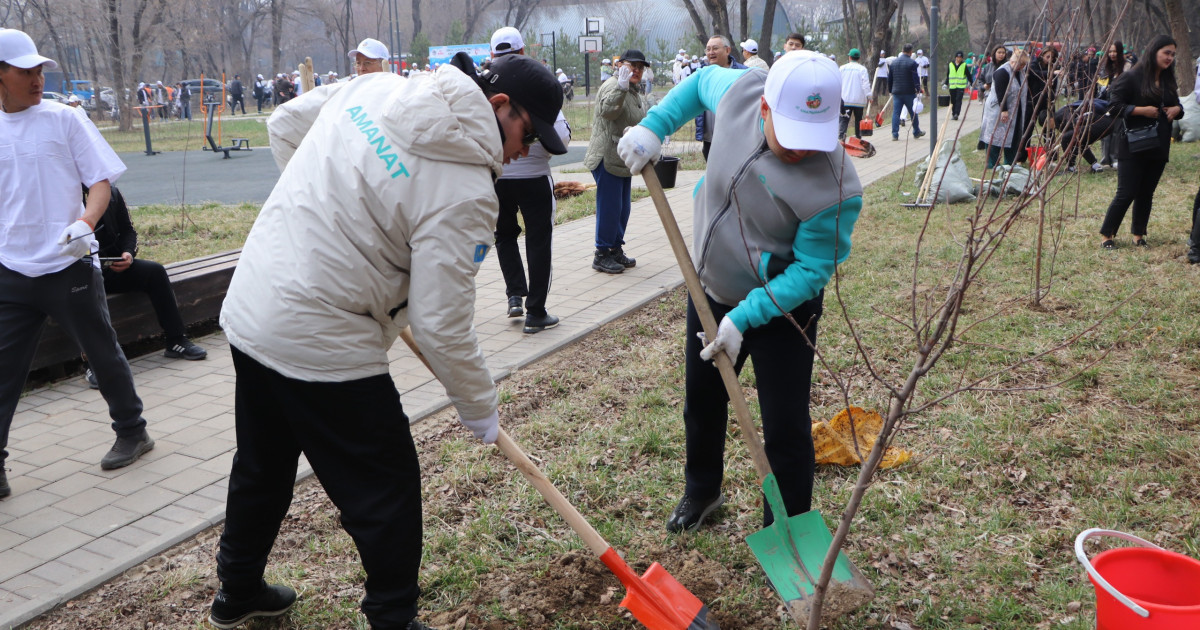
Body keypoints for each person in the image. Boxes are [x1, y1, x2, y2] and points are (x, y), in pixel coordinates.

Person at [208, 51, 566, 630]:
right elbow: (440, 326)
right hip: (323, 337)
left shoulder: (377, 91)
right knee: (387, 486)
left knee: (264, 462)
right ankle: (393, 618)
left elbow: (284, 125)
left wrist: (322, 220)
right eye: (528, 135)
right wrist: (480, 408)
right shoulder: (468, 192)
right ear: (499, 106)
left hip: (255, 303)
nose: (526, 152)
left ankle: (237, 588)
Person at [616, 50, 863, 532]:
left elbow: (811, 271)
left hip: (782, 307)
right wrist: (654, 125)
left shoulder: (835, 188)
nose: (802, 151)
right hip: (709, 286)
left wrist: (742, 319)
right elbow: (701, 80)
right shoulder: (740, 91)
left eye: (814, 138)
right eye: (791, 135)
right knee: (703, 401)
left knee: (785, 423)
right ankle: (702, 493)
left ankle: (787, 529)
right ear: (765, 107)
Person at [0, 28, 155, 500]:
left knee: (102, 350)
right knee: (3, 369)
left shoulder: (65, 120)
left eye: (39, 70)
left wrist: (85, 223)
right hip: (10, 269)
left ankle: (133, 431)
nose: (36, 78)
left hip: (67, 262)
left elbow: (101, 182)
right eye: (25, 71)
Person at [80, 185, 207, 388]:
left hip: (112, 266)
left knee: (155, 272)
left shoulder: (111, 192)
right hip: (81, 271)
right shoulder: (65, 195)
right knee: (83, 291)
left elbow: (129, 231)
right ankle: (93, 363)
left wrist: (128, 254)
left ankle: (176, 340)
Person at [488, 26, 572, 334]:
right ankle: (536, 310)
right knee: (539, 240)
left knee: (505, 235)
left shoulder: (484, 89)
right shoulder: (536, 87)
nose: (520, 144)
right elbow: (561, 134)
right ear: (524, 53)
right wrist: (535, 141)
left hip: (498, 180)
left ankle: (514, 294)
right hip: (535, 177)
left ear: (491, 55)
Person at [1098, 36, 1183, 250]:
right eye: (1166, 53)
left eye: (1173, 54)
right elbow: (1113, 106)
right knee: (1126, 192)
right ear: (1154, 51)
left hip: (1159, 143)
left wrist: (1177, 110)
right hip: (1133, 142)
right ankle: (1107, 234)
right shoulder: (1132, 77)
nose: (1170, 58)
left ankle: (1139, 234)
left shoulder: (1167, 79)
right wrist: (1139, 110)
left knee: (1146, 192)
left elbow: (1176, 106)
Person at [584, 49, 649, 274]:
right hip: (607, 157)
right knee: (610, 207)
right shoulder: (614, 86)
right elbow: (608, 111)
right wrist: (620, 88)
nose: (637, 70)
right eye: (633, 65)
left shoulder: (633, 90)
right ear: (619, 65)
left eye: (641, 67)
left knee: (622, 208)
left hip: (622, 158)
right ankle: (601, 253)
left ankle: (615, 248)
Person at [696, 36, 748, 159]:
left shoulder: (743, 73)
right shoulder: (702, 74)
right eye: (708, 49)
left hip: (734, 139)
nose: (710, 53)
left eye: (715, 48)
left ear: (727, 50)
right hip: (710, 140)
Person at [980, 48, 1029, 168]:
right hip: (998, 110)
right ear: (1013, 62)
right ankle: (992, 164)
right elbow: (1001, 93)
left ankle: (1010, 162)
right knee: (995, 136)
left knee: (1013, 136)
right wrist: (1004, 110)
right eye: (1021, 64)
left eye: (1024, 65)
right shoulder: (1002, 72)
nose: (1022, 67)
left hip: (1016, 111)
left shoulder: (1019, 72)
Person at [1097, 41, 1130, 167]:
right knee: (1105, 131)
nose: (1112, 54)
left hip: (1120, 103)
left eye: (1115, 51)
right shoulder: (1104, 67)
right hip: (1105, 103)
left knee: (1117, 131)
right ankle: (1105, 159)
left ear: (1120, 52)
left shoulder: (1127, 66)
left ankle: (1115, 158)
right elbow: (1100, 85)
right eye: (1110, 51)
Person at [888, 43, 924, 141]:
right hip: (909, 92)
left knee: (896, 113)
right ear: (911, 51)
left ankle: (895, 134)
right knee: (913, 112)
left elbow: (890, 79)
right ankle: (916, 132)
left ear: (902, 50)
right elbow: (915, 78)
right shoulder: (912, 63)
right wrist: (918, 89)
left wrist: (890, 90)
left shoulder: (893, 63)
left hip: (897, 92)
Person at [839, 48, 872, 139]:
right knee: (858, 120)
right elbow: (866, 85)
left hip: (845, 100)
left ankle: (841, 137)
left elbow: (837, 83)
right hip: (859, 100)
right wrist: (869, 96)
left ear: (849, 57)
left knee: (844, 119)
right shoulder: (862, 69)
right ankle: (858, 138)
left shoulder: (842, 68)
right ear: (859, 58)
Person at [944, 50, 974, 120]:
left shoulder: (964, 65)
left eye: (960, 57)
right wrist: (946, 83)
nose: (959, 59)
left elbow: (968, 75)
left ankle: (956, 114)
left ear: (962, 58)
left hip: (960, 86)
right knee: (953, 100)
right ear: (955, 57)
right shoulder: (950, 64)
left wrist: (972, 84)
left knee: (958, 100)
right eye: (957, 57)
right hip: (952, 86)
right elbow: (948, 75)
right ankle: (953, 113)